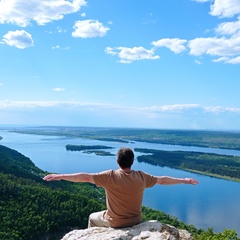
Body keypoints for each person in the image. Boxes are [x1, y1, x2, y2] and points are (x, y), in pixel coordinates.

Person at [43, 147, 199, 228]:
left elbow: (84, 177)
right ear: (132, 161)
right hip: (137, 221)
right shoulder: (142, 177)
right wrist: (184, 180)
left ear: (118, 161)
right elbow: (163, 180)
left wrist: (59, 176)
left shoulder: (110, 176)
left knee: (92, 217)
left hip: (116, 222)